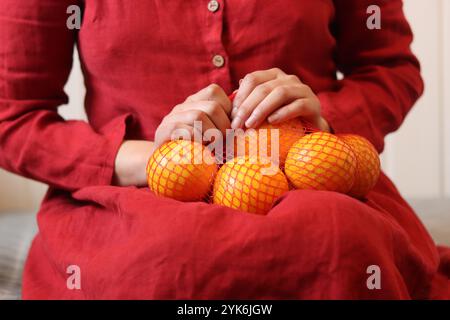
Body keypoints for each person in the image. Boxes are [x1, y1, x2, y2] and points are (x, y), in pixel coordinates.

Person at [0, 0, 449, 299]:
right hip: (133, 192)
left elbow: (389, 69)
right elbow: (12, 115)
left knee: (339, 237)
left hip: (310, 181)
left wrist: (323, 122)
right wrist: (155, 157)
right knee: (157, 259)